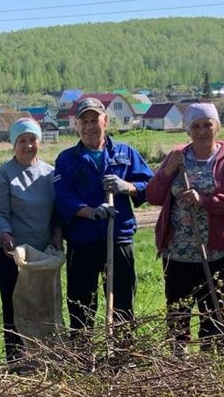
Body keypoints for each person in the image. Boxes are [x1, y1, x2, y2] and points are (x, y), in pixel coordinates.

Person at [145, 102, 224, 351]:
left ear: (218, 126)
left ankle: (209, 363)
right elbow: (153, 196)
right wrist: (166, 171)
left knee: (212, 311)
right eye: (196, 126)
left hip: (216, 251)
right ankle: (179, 363)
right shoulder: (178, 157)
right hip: (178, 251)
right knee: (177, 311)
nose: (203, 131)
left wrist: (204, 201)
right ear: (188, 129)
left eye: (208, 124)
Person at [53, 97, 153, 332]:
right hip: (82, 241)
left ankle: (121, 355)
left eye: (94, 119)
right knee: (81, 304)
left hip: (118, 238)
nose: (89, 126)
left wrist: (126, 186)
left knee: (122, 301)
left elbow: (150, 186)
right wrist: (90, 212)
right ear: (76, 125)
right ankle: (84, 357)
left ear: (105, 121)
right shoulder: (67, 159)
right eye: (83, 121)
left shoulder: (125, 153)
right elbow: (63, 197)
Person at [0, 117, 60, 362]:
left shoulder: (50, 174)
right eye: (22, 140)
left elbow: (57, 211)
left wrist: (57, 235)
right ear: (13, 143)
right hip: (13, 254)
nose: (28, 145)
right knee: (15, 305)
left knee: (43, 304)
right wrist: (5, 235)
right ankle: (16, 360)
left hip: (42, 254)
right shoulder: (4, 175)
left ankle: (44, 356)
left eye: (32, 139)